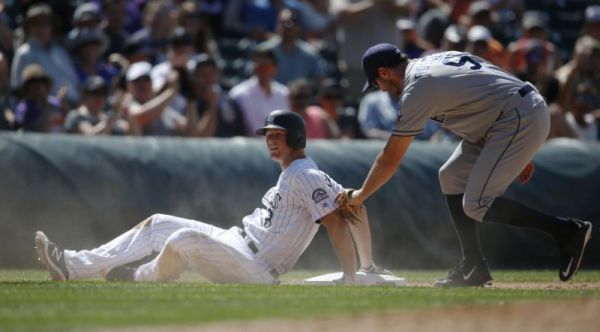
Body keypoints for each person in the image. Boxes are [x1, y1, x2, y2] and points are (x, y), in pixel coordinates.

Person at [337, 43, 593, 288]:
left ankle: (566, 230)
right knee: (451, 176)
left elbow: (391, 158)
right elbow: (490, 85)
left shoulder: (417, 87)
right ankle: (474, 266)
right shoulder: (436, 59)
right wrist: (517, 147)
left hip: (514, 119)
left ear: (384, 72)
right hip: (511, 116)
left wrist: (360, 196)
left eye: (376, 83)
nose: (380, 88)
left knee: (476, 203)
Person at [35, 110, 388, 284]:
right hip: (236, 242)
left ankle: (140, 277)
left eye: (277, 135)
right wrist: (366, 265)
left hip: (258, 267)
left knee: (182, 239)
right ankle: (72, 265)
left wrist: (351, 277)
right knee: (159, 223)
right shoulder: (300, 172)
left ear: (296, 137)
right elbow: (353, 205)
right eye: (267, 134)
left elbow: (337, 222)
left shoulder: (304, 173)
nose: (269, 140)